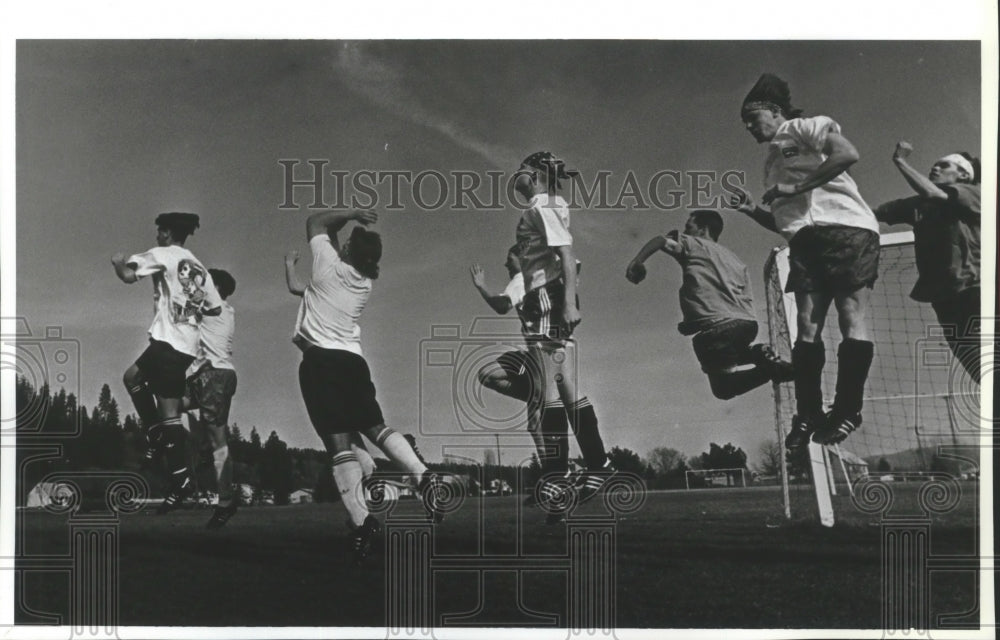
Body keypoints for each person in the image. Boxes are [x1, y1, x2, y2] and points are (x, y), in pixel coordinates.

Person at [290, 208, 445, 565]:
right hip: (353, 361)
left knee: (339, 444)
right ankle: (424, 477)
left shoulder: (329, 268)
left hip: (321, 362)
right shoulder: (363, 282)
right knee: (376, 427)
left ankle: (362, 524)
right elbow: (323, 247)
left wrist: (350, 212)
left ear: (346, 251)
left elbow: (315, 222)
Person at [734, 73, 880, 448]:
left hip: (846, 229)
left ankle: (848, 410)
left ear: (775, 110)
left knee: (851, 317)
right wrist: (753, 210)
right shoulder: (771, 164)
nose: (749, 127)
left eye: (753, 118)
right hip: (805, 240)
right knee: (806, 327)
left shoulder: (805, 127)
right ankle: (809, 413)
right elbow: (787, 222)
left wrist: (797, 186)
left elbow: (847, 153)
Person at [512, 151, 616, 519]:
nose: (516, 177)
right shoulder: (548, 205)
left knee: (551, 392)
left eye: (521, 171)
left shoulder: (543, 206)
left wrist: (569, 301)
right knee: (566, 388)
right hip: (549, 296)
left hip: (548, 296)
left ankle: (558, 475)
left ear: (537, 175)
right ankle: (598, 464)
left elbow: (567, 255)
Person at [112, 212, 223, 514]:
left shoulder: (162, 254)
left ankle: (181, 477)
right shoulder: (197, 265)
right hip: (186, 344)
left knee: (168, 414)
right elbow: (214, 308)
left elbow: (127, 276)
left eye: (159, 230)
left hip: (168, 341)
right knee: (132, 377)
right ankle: (160, 440)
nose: (157, 235)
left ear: (167, 232)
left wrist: (118, 261)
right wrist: (190, 304)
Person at [625, 209, 794, 399]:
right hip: (746, 325)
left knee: (723, 388)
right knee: (730, 352)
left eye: (689, 226)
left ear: (703, 229)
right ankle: (756, 353)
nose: (685, 231)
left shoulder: (691, 243)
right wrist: (695, 322)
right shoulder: (735, 260)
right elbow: (737, 298)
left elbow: (660, 240)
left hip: (718, 330)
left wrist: (637, 261)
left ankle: (771, 370)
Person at [874, 142, 982, 384]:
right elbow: (872, 213)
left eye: (944, 165)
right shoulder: (918, 204)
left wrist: (901, 161)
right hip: (944, 296)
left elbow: (934, 193)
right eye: (934, 165)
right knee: (979, 370)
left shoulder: (971, 192)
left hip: (976, 289)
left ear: (963, 174)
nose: (935, 168)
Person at [285, 250, 378, 482]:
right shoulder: (319, 292)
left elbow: (294, 286)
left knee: (334, 428)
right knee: (347, 425)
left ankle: (367, 473)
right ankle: (370, 470)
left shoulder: (324, 290)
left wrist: (289, 263)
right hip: (337, 356)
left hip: (322, 357)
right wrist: (289, 266)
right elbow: (296, 287)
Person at [469, 245, 550, 465]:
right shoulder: (537, 276)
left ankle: (554, 473)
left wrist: (482, 286)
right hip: (534, 357)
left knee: (535, 424)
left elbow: (502, 306)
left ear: (522, 259)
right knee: (487, 374)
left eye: (510, 259)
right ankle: (542, 395)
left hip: (542, 353)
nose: (506, 264)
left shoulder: (520, 280)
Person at [182, 268, 240, 529]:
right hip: (202, 377)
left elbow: (183, 316)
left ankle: (226, 502)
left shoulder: (216, 310)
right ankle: (202, 449)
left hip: (215, 377)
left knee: (218, 440)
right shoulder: (220, 310)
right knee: (171, 408)